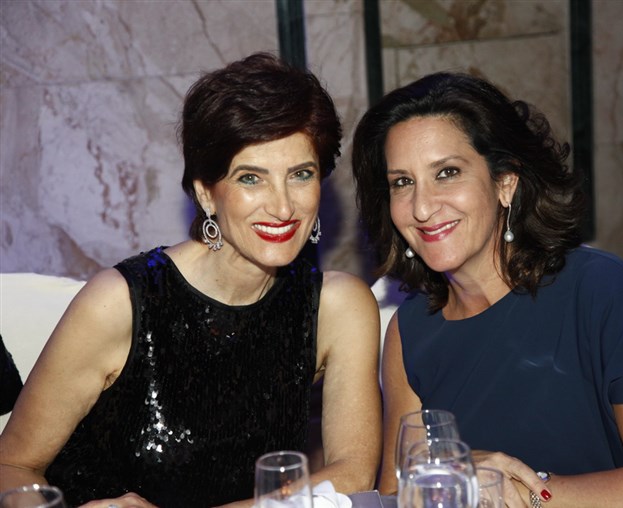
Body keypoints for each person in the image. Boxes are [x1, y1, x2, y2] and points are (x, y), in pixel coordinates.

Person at [0, 53, 382, 507]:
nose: (283, 207)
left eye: (301, 174)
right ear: (206, 193)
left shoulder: (338, 307)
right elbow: (11, 466)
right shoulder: (122, 302)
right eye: (251, 178)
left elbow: (353, 474)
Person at [352, 72, 623, 507]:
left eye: (447, 172)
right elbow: (398, 495)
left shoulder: (602, 291)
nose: (422, 207)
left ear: (505, 182)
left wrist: (518, 490)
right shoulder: (409, 332)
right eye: (402, 182)